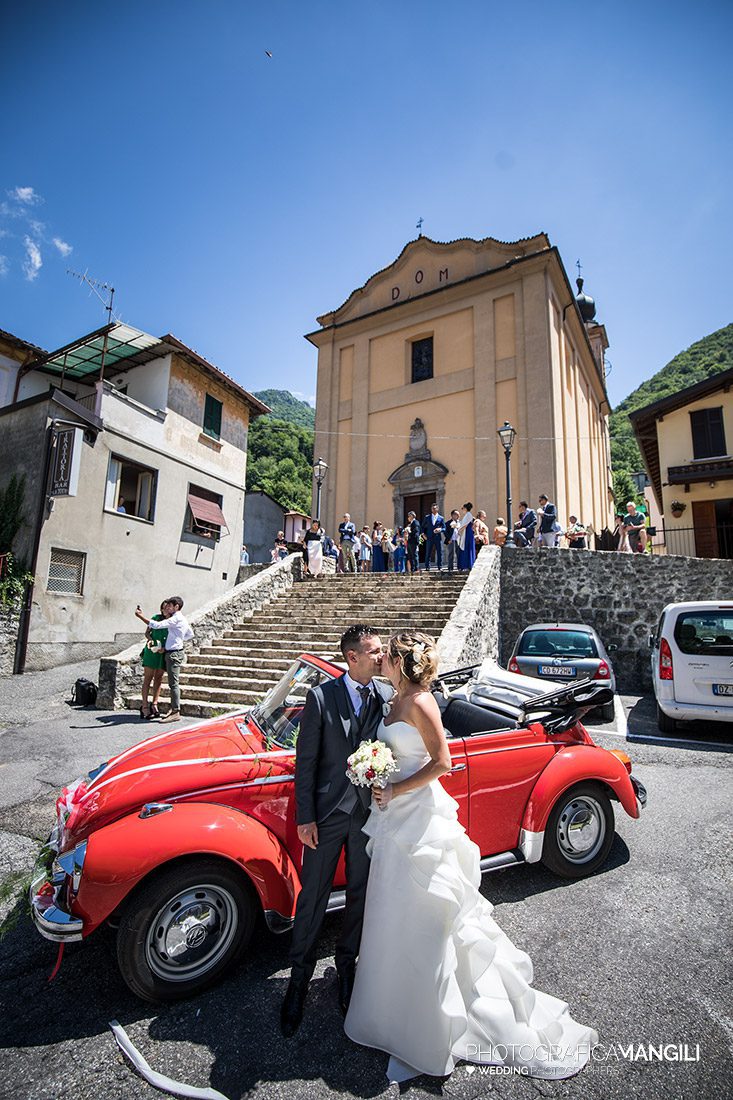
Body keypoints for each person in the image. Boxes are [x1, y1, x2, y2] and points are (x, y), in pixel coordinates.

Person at [344, 631, 598, 1082]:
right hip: (392, 817)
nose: (381, 661)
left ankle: (432, 1017)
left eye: (388, 657)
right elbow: (392, 745)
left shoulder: (421, 702)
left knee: (430, 907)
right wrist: (375, 768)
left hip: (418, 814)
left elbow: (441, 761)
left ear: (402, 664)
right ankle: (391, 1000)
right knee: (393, 904)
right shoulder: (394, 696)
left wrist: (395, 787)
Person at [280, 625, 393, 1038]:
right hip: (326, 818)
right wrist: (305, 817)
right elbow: (305, 761)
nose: (381, 657)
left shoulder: (385, 697)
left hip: (367, 817)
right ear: (352, 657)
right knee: (313, 897)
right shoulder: (320, 697)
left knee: (361, 897)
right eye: (374, 652)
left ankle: (348, 971)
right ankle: (298, 982)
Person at [135, 596, 193, 723]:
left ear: (176, 607)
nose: (168, 608)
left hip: (172, 653)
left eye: (170, 606)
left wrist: (140, 616)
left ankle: (175, 711)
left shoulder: (175, 618)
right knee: (165, 681)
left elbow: (156, 625)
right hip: (168, 652)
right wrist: (177, 640)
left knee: (173, 684)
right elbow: (190, 634)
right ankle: (169, 709)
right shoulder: (180, 618)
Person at [138, 602, 168, 719]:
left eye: (168, 607)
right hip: (152, 650)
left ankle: (154, 704)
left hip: (162, 652)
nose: (166, 609)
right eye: (164, 607)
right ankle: (144, 706)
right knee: (148, 678)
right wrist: (152, 641)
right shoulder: (156, 619)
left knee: (159, 678)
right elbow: (147, 633)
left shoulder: (171, 621)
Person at [421, 503, 445, 571]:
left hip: (437, 537)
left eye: (435, 508)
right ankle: (427, 567)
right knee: (428, 552)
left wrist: (440, 529)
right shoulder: (427, 517)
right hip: (429, 537)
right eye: (432, 508)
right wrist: (423, 534)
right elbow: (422, 527)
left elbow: (444, 528)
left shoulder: (441, 518)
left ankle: (440, 566)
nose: (434, 509)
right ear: (431, 509)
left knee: (439, 552)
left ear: (437, 509)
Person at [456, 502, 476, 570]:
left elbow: (465, 525)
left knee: (466, 547)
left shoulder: (468, 515)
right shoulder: (467, 515)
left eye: (463, 508)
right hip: (466, 532)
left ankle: (467, 565)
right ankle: (465, 565)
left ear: (465, 508)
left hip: (467, 533)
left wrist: (459, 530)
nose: (462, 510)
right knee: (465, 547)